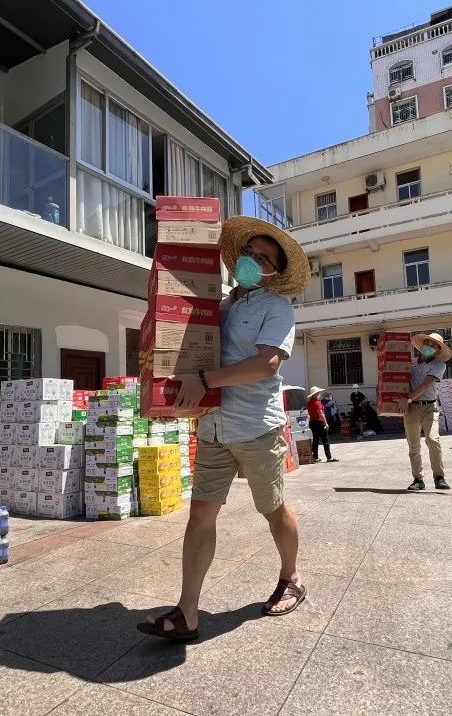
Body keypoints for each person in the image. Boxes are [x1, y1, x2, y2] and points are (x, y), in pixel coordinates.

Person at [138, 215, 310, 641]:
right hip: (213, 426)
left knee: (271, 509)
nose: (254, 261)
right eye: (249, 254)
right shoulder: (222, 305)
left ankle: (291, 578)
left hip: (256, 427)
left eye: (264, 258)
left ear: (275, 271)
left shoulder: (278, 308)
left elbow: (267, 363)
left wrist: (206, 382)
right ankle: (187, 613)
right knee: (200, 515)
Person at [404, 332, 452, 491]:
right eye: (428, 344)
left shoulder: (439, 365)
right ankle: (418, 479)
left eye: (434, 346)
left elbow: (426, 384)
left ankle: (439, 477)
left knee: (433, 440)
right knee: (414, 446)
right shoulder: (410, 363)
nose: (429, 347)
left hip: (430, 407)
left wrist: (409, 398)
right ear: (422, 345)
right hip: (410, 409)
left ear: (438, 350)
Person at [306, 387, 337, 463]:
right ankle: (329, 457)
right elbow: (321, 414)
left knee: (315, 440)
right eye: (318, 393)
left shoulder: (309, 403)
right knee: (325, 440)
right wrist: (325, 423)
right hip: (319, 422)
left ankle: (315, 457)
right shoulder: (317, 403)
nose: (319, 395)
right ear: (316, 394)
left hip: (312, 422)